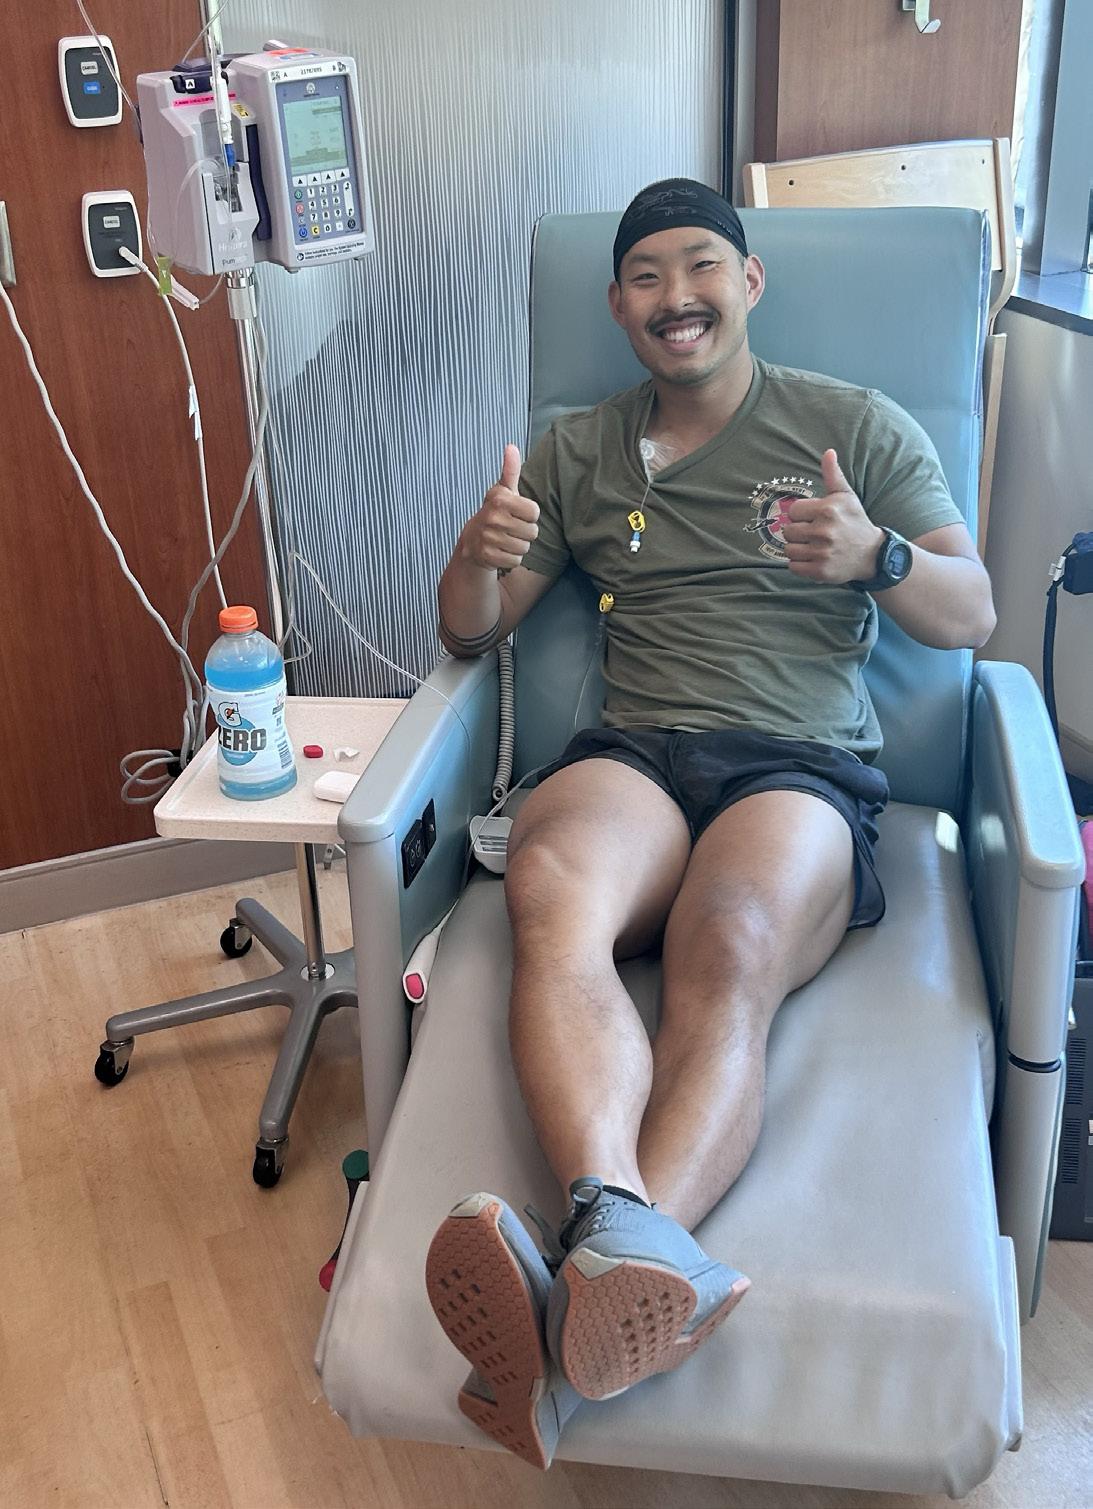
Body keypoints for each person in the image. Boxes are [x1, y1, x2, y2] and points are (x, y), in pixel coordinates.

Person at [423, 178, 996, 1470]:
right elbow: (469, 632)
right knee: (550, 892)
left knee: (728, 940)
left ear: (748, 282)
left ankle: (569, 1306)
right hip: (636, 754)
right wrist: (473, 554)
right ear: (617, 305)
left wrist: (881, 559)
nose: (674, 296)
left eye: (699, 267)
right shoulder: (578, 451)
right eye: (644, 275)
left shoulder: (852, 425)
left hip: (797, 764)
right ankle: (623, 1260)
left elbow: (972, 616)